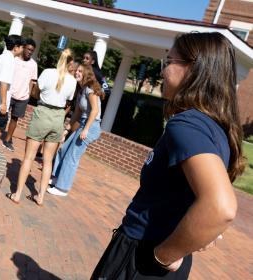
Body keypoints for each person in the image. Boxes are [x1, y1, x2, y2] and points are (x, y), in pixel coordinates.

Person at [91, 32, 244, 279]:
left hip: (144, 257)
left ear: (194, 69)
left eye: (170, 61)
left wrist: (162, 256)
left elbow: (221, 206)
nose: (163, 70)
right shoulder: (214, 128)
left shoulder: (187, 125)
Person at [6, 48, 77, 205]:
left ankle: (17, 194)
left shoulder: (48, 73)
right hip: (59, 117)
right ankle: (41, 197)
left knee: (29, 157)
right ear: (70, 62)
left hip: (43, 112)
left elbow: (35, 92)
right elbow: (68, 100)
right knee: (48, 161)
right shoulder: (73, 81)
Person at [47, 64, 104, 196]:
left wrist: (86, 130)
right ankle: (56, 178)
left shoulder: (90, 90)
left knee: (71, 157)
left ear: (86, 74)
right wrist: (67, 130)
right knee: (63, 149)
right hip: (83, 124)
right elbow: (77, 113)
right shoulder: (81, 90)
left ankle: (62, 189)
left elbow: (95, 111)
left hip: (91, 126)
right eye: (76, 71)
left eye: (80, 71)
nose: (77, 73)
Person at [2, 38, 38, 152]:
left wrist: (28, 95)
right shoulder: (15, 59)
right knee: (2, 116)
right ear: (23, 48)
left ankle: (7, 140)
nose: (30, 52)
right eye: (28, 49)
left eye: (32, 50)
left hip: (22, 97)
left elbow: (32, 81)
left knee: (14, 119)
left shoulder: (33, 65)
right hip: (9, 93)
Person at [82, 50, 111, 117]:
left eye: (87, 58)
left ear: (92, 61)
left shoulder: (97, 73)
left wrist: (96, 93)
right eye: (83, 58)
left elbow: (107, 90)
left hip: (91, 108)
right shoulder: (82, 70)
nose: (84, 60)